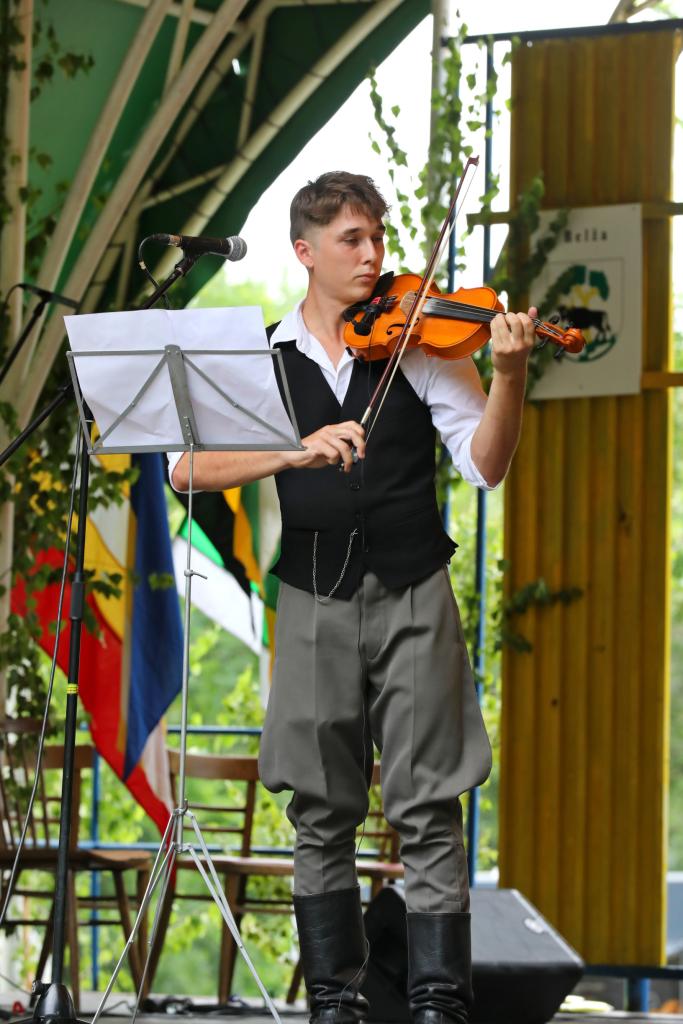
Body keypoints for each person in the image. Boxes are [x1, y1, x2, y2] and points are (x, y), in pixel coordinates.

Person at [170, 171, 536, 1024]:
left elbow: (485, 466)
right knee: (318, 807)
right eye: (351, 240)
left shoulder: (422, 346)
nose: (372, 255)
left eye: (377, 237)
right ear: (305, 252)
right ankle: (333, 1002)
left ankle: (439, 1003)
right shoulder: (264, 358)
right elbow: (186, 469)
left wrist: (509, 374)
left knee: (430, 805)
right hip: (310, 596)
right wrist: (293, 452)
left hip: (414, 589)